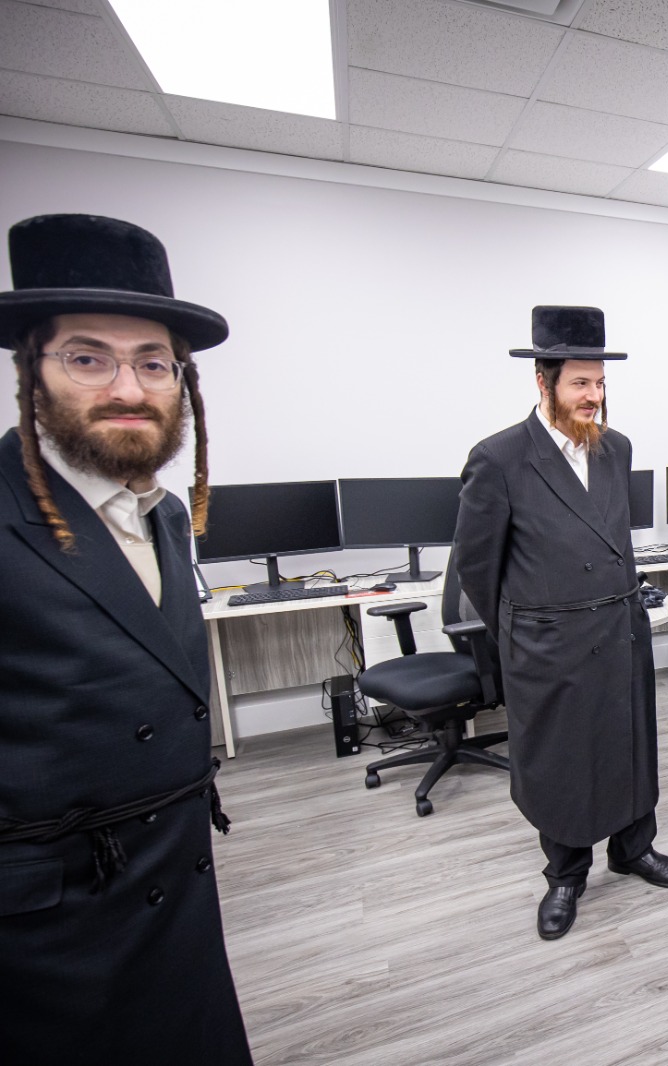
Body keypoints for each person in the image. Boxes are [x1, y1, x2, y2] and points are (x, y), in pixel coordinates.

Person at [0, 214, 253, 1063]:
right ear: (30, 368)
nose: (129, 388)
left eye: (152, 362)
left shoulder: (164, 514)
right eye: (87, 358)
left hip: (177, 884)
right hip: (53, 932)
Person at [455, 305, 668, 942]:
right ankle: (566, 874)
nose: (594, 396)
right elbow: (476, 567)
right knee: (561, 762)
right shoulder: (499, 457)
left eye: (600, 383)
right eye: (580, 383)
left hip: (619, 632)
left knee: (631, 745)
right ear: (544, 382)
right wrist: (525, 631)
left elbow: (614, 542)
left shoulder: (617, 448)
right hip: (548, 643)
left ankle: (633, 849)